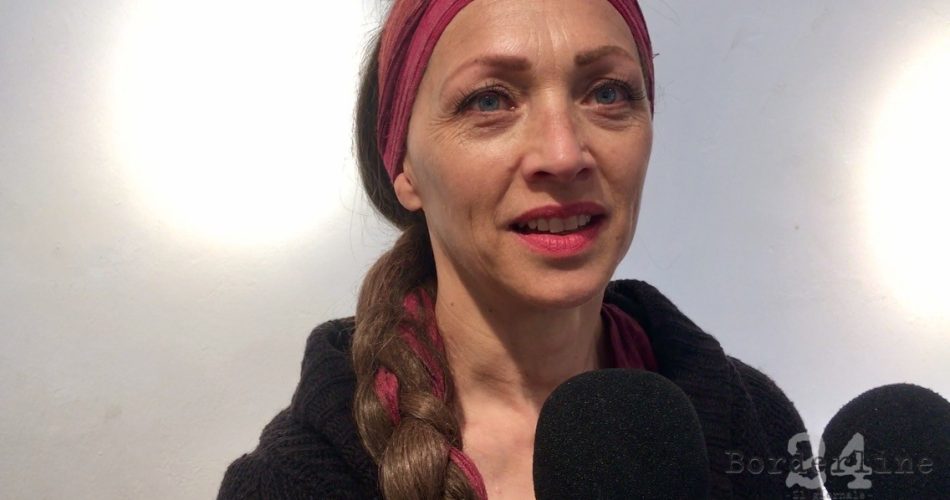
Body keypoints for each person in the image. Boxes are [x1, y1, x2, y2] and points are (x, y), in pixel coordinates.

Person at [218, 0, 815, 498]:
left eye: (608, 93)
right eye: (489, 101)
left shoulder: (757, 428)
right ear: (404, 167)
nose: (563, 154)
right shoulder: (288, 484)